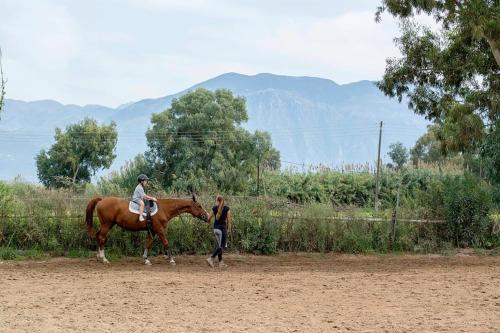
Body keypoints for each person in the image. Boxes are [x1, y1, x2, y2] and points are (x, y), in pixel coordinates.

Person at [206, 195, 232, 268]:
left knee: (219, 246)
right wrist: (229, 230)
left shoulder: (214, 208)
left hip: (215, 229)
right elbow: (229, 221)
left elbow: (208, 219)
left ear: (217, 201)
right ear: (223, 201)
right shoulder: (227, 209)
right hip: (222, 230)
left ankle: (221, 263)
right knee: (222, 246)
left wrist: (208, 217)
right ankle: (211, 258)